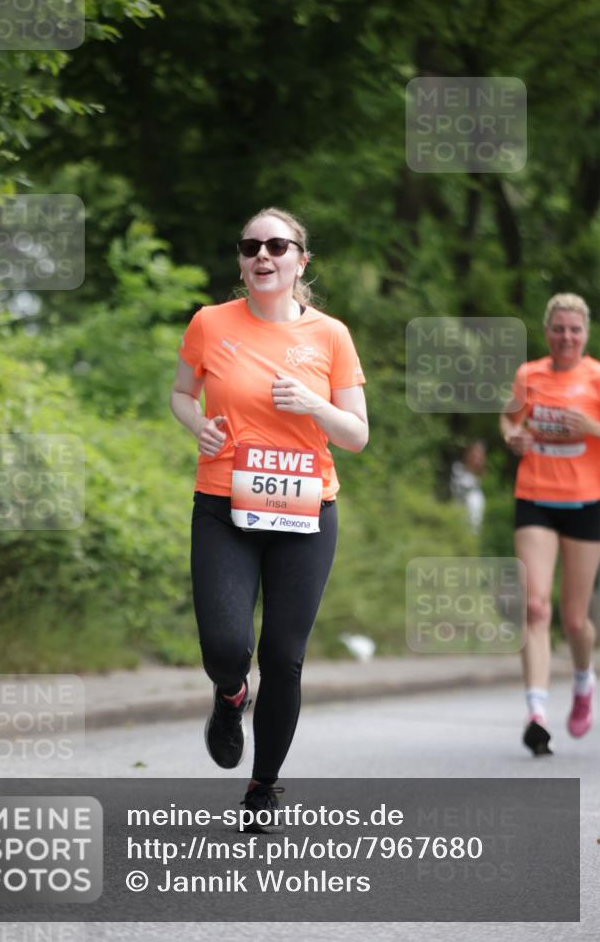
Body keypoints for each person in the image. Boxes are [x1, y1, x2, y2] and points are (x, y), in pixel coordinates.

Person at [170, 207, 368, 826]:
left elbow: (357, 434)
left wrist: (312, 403)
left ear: (299, 260)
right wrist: (198, 425)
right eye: (251, 246)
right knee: (227, 648)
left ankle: (263, 786)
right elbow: (181, 393)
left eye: (277, 246)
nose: (263, 256)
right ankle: (230, 695)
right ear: (241, 260)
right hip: (225, 504)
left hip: (306, 512)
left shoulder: (330, 336)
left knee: (283, 655)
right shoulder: (210, 323)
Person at [499, 294, 600, 756]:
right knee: (535, 607)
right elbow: (508, 416)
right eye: (558, 329)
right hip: (535, 497)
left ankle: (583, 682)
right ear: (547, 332)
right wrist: (513, 436)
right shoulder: (529, 375)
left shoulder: (597, 377)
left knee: (575, 618)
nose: (566, 337)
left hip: (585, 502)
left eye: (574, 330)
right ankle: (536, 713)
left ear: (586, 333)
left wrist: (591, 427)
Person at [450, 440, 487, 534]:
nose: (476, 459)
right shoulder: (457, 469)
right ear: (468, 454)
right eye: (474, 455)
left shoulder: (482, 477)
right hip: (457, 514)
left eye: (479, 456)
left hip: (474, 518)